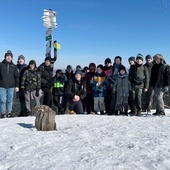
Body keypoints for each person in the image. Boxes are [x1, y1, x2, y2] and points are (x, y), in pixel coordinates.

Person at [0, 50, 19, 118]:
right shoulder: (1, 65)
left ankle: (9, 113)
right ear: (5, 57)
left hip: (11, 86)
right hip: (2, 86)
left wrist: (17, 86)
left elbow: (16, 77)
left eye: (10, 56)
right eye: (7, 56)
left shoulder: (14, 66)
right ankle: (2, 113)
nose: (8, 57)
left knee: (10, 100)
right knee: (2, 100)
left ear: (11, 58)